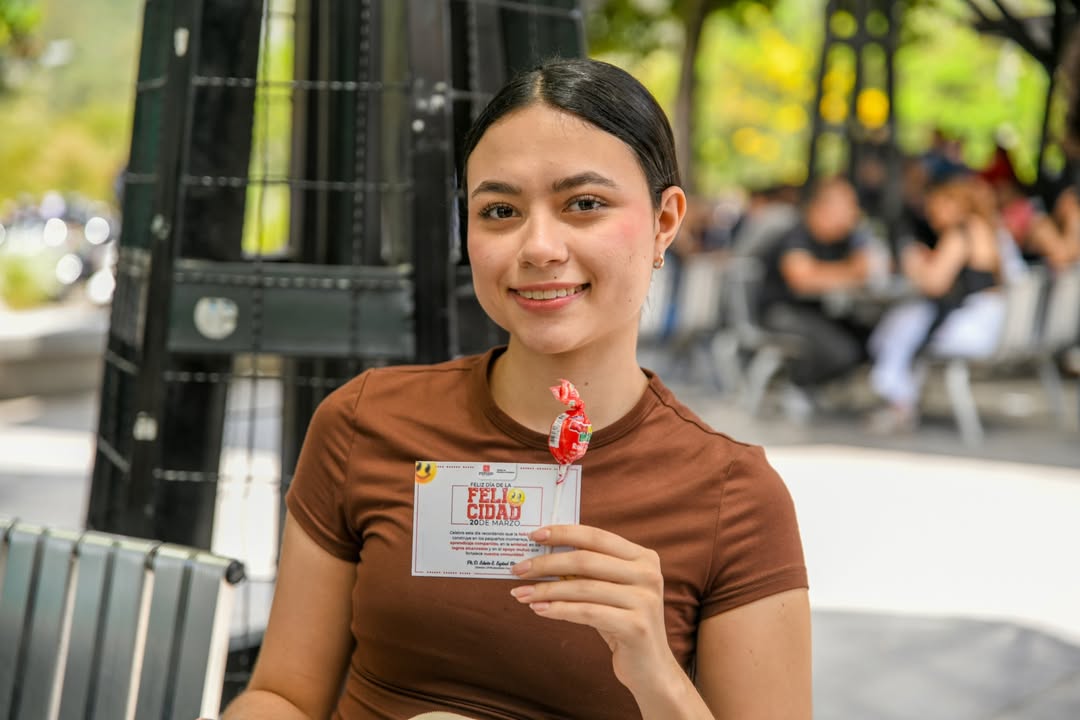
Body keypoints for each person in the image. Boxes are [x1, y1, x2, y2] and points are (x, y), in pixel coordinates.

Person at [220, 58, 810, 720]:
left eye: (583, 204)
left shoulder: (734, 495)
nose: (539, 246)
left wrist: (656, 673)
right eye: (499, 210)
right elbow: (280, 697)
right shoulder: (363, 421)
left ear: (665, 222)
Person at [866, 174, 1023, 432]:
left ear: (954, 204)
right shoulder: (989, 228)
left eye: (935, 205)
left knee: (900, 325)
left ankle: (899, 403)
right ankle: (902, 398)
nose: (930, 213)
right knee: (907, 321)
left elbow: (934, 284)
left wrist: (913, 262)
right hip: (993, 323)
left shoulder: (962, 232)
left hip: (971, 328)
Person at [756, 176, 876, 400]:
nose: (854, 212)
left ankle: (813, 391)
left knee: (868, 338)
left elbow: (864, 269)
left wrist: (859, 242)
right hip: (782, 313)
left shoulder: (844, 239)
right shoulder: (797, 234)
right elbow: (802, 279)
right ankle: (793, 387)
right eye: (848, 206)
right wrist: (848, 272)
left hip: (816, 312)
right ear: (823, 207)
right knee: (841, 351)